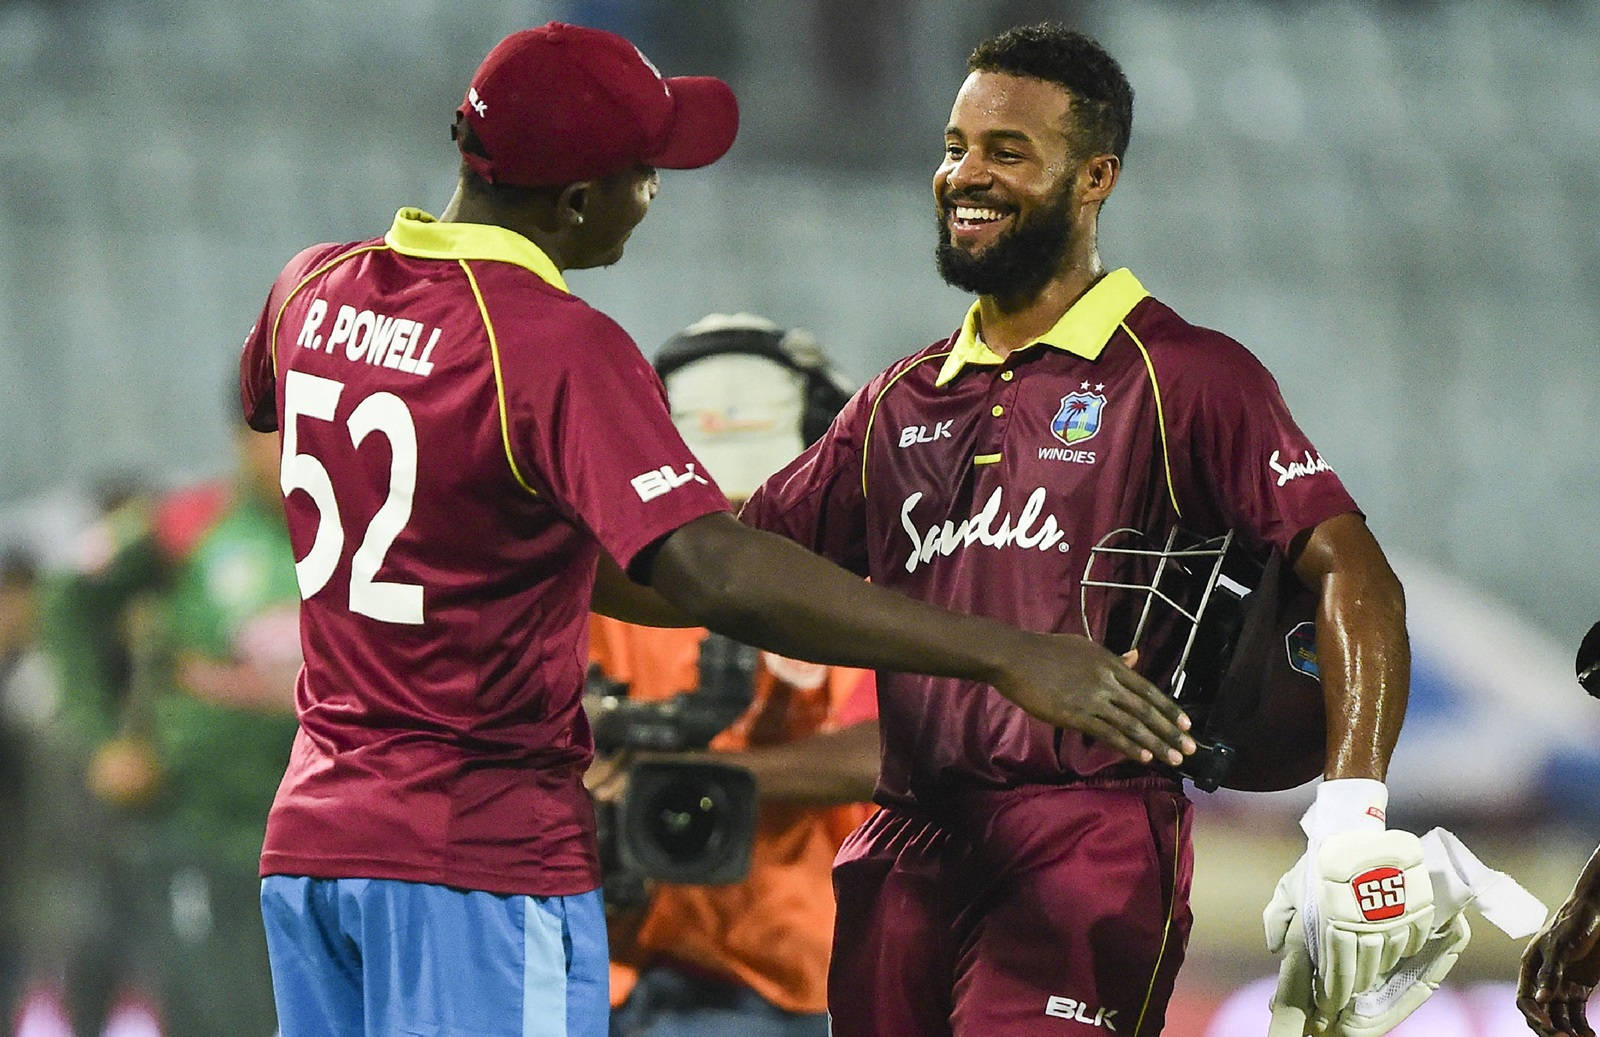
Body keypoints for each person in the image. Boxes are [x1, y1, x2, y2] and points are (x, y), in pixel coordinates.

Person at [238, 21, 1195, 1037]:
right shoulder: (552, 340)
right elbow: (706, 569)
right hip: (476, 854)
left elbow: (469, 516)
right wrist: (1004, 652)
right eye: (643, 172)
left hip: (314, 844)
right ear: (574, 200)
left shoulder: (310, 285)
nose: (652, 194)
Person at [735, 22, 1418, 1037]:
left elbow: (1355, 577)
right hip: (900, 850)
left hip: (1084, 840)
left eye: (1006, 151)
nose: (964, 173)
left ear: (1095, 176)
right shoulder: (895, 400)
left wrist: (1353, 821)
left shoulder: (1185, 373)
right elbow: (713, 565)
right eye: (955, 144)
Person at [592, 314, 879, 1037]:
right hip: (612, 950)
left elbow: (888, 746)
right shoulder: (610, 578)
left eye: (757, 494)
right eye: (713, 503)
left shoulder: (855, 579)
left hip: (786, 972)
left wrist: (702, 777)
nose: (736, 517)